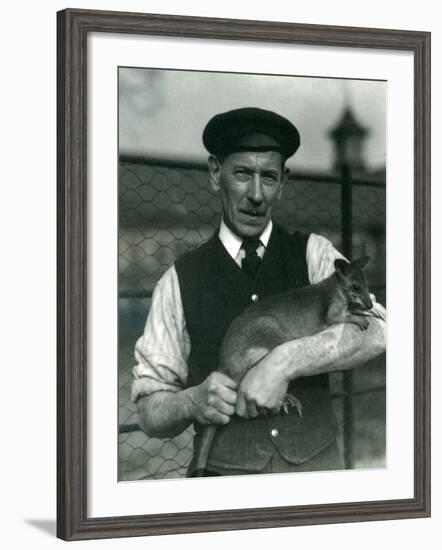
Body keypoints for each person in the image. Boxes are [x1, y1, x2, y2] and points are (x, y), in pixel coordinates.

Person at [131, 107, 386, 477]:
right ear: (215, 174)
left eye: (268, 177)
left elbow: (379, 330)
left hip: (317, 478)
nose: (255, 194)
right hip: (225, 483)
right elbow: (149, 413)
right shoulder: (178, 280)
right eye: (242, 174)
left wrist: (282, 363)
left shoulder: (316, 253)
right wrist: (190, 402)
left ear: (283, 183)